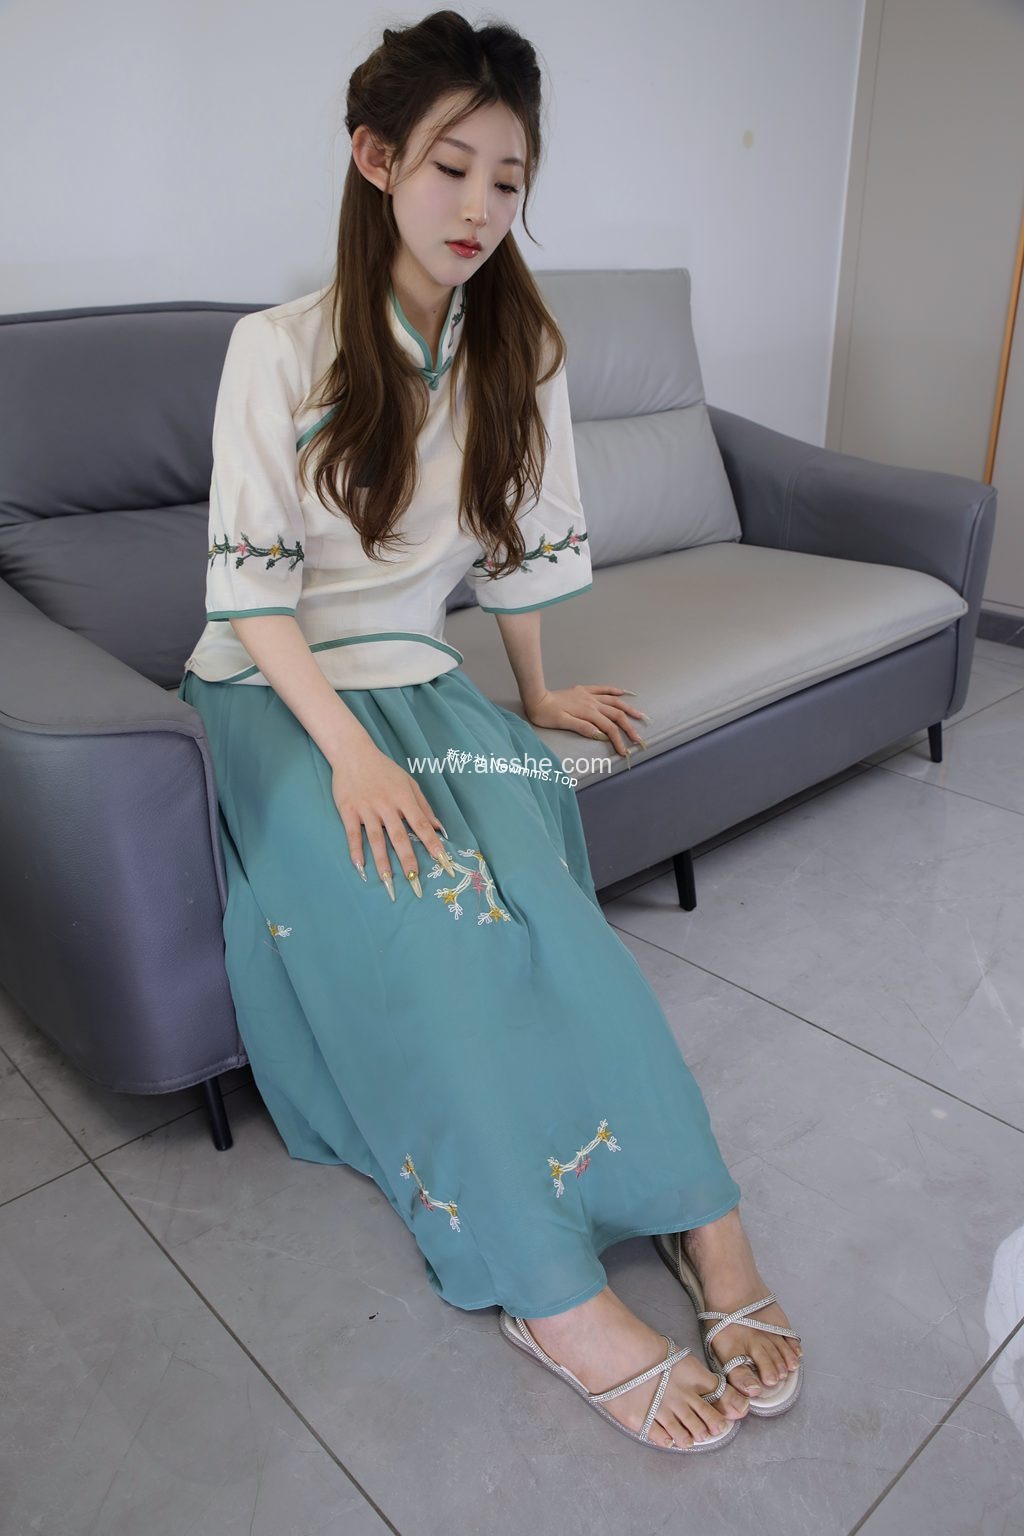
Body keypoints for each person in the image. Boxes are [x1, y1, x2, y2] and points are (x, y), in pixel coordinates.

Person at [179, 8, 801, 1453]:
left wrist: (531, 692)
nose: (478, 207)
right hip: (275, 692)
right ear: (375, 159)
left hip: (422, 678)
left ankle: (703, 1220)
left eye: (508, 179)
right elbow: (252, 601)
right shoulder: (275, 349)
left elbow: (515, 545)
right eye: (450, 167)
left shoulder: (524, 348)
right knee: (429, 914)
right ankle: (547, 1290)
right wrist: (350, 758)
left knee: (550, 913)